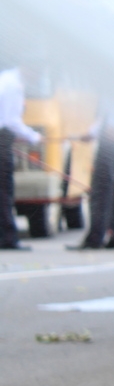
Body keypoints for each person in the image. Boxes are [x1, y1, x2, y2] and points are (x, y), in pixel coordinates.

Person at [69, 110, 114, 250]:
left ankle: (95, 239)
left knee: (102, 191)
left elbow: (112, 107)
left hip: (111, 138)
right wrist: (93, 132)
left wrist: (111, 127)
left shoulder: (112, 91)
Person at [1, 65, 42, 251]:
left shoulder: (6, 79)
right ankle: (7, 238)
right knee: (3, 191)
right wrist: (34, 136)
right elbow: (10, 120)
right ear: (28, 69)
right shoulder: (13, 85)